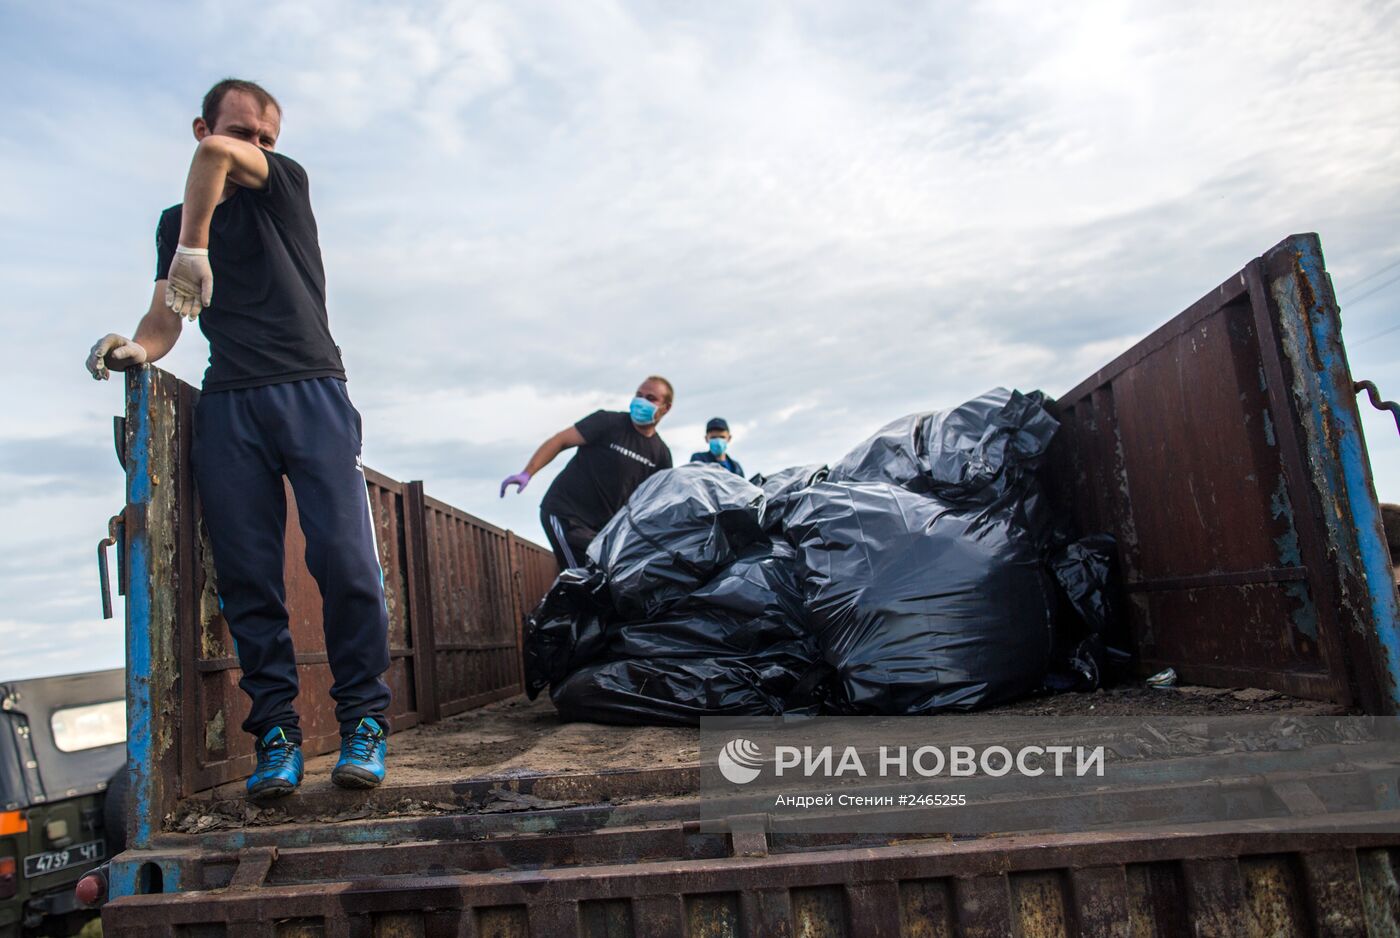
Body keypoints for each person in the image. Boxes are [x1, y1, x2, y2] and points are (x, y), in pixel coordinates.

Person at [84, 79, 391, 800]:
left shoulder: (282, 186)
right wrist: (138, 348)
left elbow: (219, 161)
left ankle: (363, 725)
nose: (255, 147)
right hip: (231, 406)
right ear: (199, 126)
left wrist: (198, 242)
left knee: (347, 565)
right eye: (239, 131)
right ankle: (278, 736)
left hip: (311, 388)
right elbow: (169, 317)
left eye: (265, 137)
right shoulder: (174, 224)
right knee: (249, 579)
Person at [501, 377, 675, 569]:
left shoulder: (661, 454)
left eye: (650, 398)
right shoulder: (607, 422)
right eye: (638, 395)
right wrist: (527, 473)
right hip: (566, 513)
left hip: (602, 530)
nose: (641, 401)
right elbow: (560, 440)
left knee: (602, 581)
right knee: (582, 577)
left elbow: (657, 502)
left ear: (665, 408)